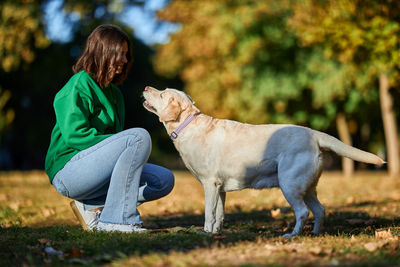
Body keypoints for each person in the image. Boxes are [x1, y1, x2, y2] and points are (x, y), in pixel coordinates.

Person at [45, 24, 174, 232]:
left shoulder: (115, 94)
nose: (124, 60)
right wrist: (120, 144)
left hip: (96, 171)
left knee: (164, 180)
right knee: (138, 137)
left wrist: (121, 147)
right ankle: (117, 220)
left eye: (126, 54)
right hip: (68, 171)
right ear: (103, 52)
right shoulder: (78, 85)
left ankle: (94, 207)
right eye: (119, 54)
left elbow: (117, 147)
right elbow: (75, 137)